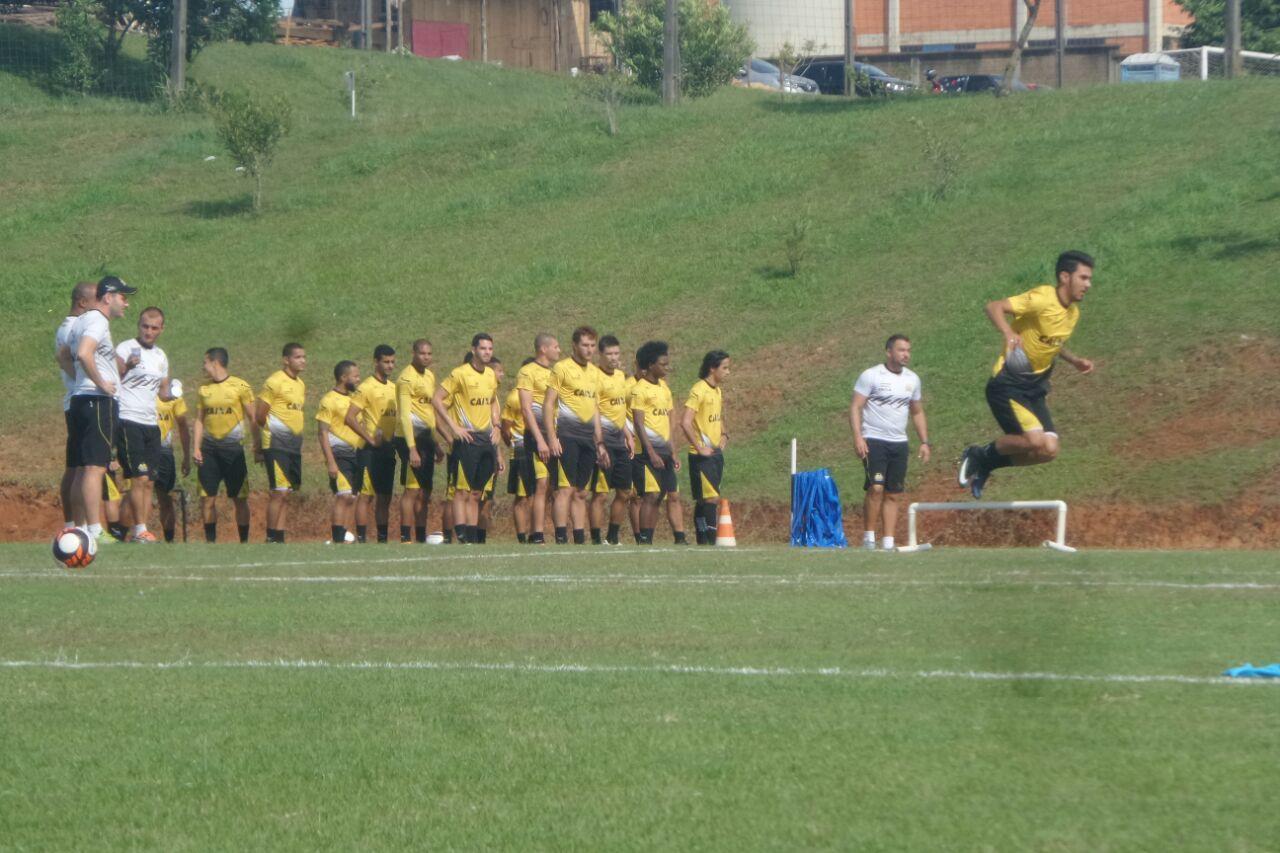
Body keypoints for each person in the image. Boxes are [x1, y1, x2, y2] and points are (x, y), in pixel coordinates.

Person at [959, 251, 1096, 498]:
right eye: (1083, 278)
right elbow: (994, 307)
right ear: (1065, 277)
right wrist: (1007, 333)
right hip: (1008, 384)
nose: (1088, 285)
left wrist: (1074, 360)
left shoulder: (1073, 313)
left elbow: (1051, 342)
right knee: (1033, 440)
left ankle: (988, 463)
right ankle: (977, 454)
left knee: (1049, 450)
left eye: (1089, 279)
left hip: (1035, 387)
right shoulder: (1042, 298)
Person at [66, 275, 136, 549]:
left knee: (83, 469)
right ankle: (94, 530)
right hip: (96, 400)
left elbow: (63, 354)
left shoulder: (79, 321)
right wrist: (101, 383)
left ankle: (78, 528)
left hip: (81, 400)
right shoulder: (97, 319)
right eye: (123, 297)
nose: (126, 304)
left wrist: (78, 382)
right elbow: (84, 353)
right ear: (108, 297)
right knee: (96, 468)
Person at [850, 336, 930, 551]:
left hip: (899, 442)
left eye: (908, 350)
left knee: (893, 493)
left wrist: (924, 441)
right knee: (876, 488)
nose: (906, 354)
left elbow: (917, 411)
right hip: (874, 440)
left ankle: (888, 542)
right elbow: (856, 407)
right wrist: (858, 436)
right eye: (901, 350)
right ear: (889, 352)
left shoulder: (912, 379)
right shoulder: (871, 376)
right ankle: (868, 538)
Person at [433, 333, 502, 545]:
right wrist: (454, 427)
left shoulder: (490, 375)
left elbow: (492, 402)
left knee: (476, 493)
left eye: (490, 349)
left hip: (486, 440)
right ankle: (461, 535)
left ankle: (471, 536)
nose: (487, 352)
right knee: (461, 491)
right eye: (483, 349)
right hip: (467, 440)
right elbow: (436, 399)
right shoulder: (459, 374)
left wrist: (496, 425)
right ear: (474, 350)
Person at [543, 326, 608, 545]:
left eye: (592, 346)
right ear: (574, 345)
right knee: (565, 489)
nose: (589, 350)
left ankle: (580, 539)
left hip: (588, 439)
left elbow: (595, 409)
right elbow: (548, 403)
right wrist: (552, 438)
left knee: (581, 492)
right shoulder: (561, 368)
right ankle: (561, 537)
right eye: (585, 345)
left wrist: (600, 443)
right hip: (567, 436)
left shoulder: (595, 373)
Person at [114, 307, 173, 543]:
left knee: (149, 480)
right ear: (138, 325)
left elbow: (164, 391)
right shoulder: (126, 347)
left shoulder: (161, 356)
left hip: (151, 423)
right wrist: (127, 365)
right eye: (145, 326)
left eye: (154, 328)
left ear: (161, 329)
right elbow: (112, 376)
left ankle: (125, 529)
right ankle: (140, 530)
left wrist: (173, 393)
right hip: (129, 420)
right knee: (137, 478)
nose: (149, 331)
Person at [192, 347, 258, 543]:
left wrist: (258, 445)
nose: (203, 367)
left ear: (215, 362)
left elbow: (252, 417)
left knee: (240, 498)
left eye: (205, 362)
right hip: (209, 450)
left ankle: (244, 542)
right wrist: (196, 447)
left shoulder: (241, 386)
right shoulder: (204, 389)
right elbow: (199, 420)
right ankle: (211, 543)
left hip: (233, 450)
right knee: (207, 498)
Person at [629, 341, 686, 545]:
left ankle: (678, 538)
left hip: (665, 451)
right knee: (650, 495)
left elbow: (668, 424)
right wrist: (651, 452)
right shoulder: (639, 390)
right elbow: (638, 423)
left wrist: (673, 451)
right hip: (646, 453)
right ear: (651, 365)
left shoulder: (664, 389)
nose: (667, 368)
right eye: (663, 364)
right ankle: (644, 539)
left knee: (667, 494)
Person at [54, 281, 97, 528]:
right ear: (82, 302)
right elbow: (63, 358)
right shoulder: (73, 328)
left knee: (76, 465)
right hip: (80, 401)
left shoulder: (68, 326)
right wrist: (85, 380)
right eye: (94, 301)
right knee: (81, 467)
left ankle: (73, 525)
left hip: (75, 401)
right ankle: (76, 526)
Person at [318, 360, 375, 545]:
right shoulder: (329, 400)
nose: (358, 379)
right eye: (355, 376)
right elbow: (322, 432)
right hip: (339, 454)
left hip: (356, 454)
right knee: (343, 496)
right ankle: (337, 539)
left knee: (352, 497)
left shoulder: (354, 400)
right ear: (343, 377)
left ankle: (342, 536)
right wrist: (331, 461)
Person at [254, 343, 306, 544]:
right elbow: (260, 415)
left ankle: (280, 537)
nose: (302, 360)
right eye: (298, 357)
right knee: (279, 492)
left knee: (287, 493)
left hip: (293, 445)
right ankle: (270, 537)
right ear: (286, 360)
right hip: (275, 443)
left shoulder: (300, 384)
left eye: (304, 357)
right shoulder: (274, 381)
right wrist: (268, 435)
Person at [394, 339, 444, 544]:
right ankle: (406, 537)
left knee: (425, 490)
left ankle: (421, 537)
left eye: (429, 354)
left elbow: (430, 412)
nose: (426, 357)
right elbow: (405, 415)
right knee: (412, 490)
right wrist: (411, 449)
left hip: (426, 439)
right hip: (409, 439)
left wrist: (437, 443)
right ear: (413, 353)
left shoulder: (430, 376)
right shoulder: (405, 379)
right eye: (423, 353)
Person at [682, 350, 731, 545]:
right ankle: (709, 540)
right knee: (710, 498)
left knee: (704, 499)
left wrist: (724, 434)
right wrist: (699, 447)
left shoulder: (717, 390)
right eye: (725, 368)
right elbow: (685, 422)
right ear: (712, 368)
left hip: (715, 454)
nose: (728, 372)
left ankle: (703, 540)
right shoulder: (699, 390)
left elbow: (716, 417)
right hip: (702, 456)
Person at [351, 345, 398, 543]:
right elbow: (349, 417)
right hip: (370, 450)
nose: (390, 366)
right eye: (386, 362)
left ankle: (382, 539)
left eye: (392, 362)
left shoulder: (394, 388)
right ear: (376, 362)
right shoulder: (366, 387)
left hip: (388, 449)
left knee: (385, 497)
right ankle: (361, 538)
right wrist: (370, 439)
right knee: (366, 496)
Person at [515, 333, 559, 544]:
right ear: (543, 349)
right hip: (537, 436)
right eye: (556, 347)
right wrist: (540, 439)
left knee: (553, 485)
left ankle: (538, 531)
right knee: (541, 484)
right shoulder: (527, 372)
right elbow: (526, 408)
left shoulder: (555, 373)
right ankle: (538, 535)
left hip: (554, 434)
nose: (559, 351)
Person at [592, 335, 634, 546]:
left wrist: (628, 435)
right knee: (600, 493)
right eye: (609, 354)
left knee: (625, 491)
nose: (613, 358)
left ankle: (613, 537)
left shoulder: (620, 377)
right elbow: (595, 411)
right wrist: (599, 443)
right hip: (603, 441)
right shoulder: (594, 377)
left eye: (616, 353)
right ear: (600, 355)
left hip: (620, 441)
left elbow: (620, 410)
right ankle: (596, 539)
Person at [154, 379, 191, 543]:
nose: (172, 399)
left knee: (165, 496)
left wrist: (186, 457)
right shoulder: (147, 394)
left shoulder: (176, 400)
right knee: (139, 489)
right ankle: (135, 533)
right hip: (143, 446)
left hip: (164, 450)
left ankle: (169, 541)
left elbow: (183, 426)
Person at [501, 365, 531, 542]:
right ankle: (522, 537)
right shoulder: (515, 397)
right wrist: (513, 445)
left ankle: (535, 533)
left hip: (540, 449)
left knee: (539, 493)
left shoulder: (541, 395)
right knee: (522, 496)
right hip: (521, 450)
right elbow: (506, 428)